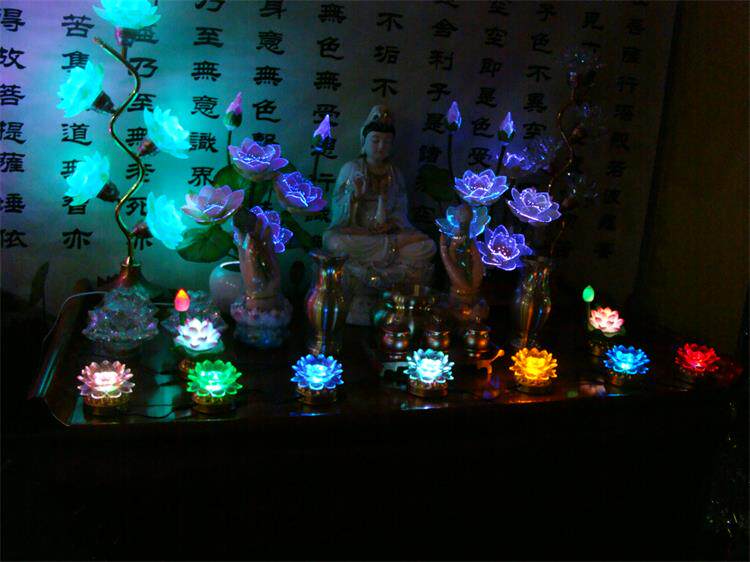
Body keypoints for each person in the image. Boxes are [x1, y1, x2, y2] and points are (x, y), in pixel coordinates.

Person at [323, 105, 436, 324]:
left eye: (386, 142)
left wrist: (392, 224)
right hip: (359, 235)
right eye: (375, 141)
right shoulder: (351, 168)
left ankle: (383, 269)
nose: (381, 147)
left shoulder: (396, 174)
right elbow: (337, 209)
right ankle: (381, 263)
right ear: (364, 142)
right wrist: (354, 197)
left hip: (387, 235)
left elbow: (401, 211)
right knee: (334, 242)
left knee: (427, 246)